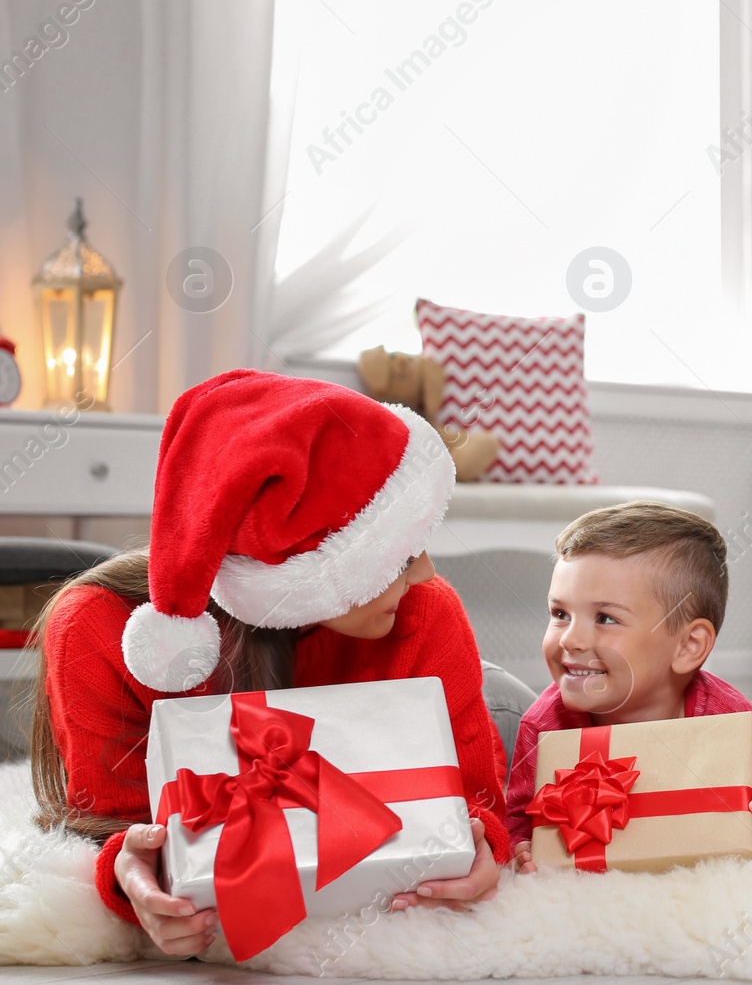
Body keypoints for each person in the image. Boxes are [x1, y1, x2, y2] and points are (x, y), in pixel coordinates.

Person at [29, 369, 509, 957]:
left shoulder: (422, 610)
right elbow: (113, 821)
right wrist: (133, 876)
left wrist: (489, 849)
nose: (428, 572)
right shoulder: (100, 628)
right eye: (400, 553)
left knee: (530, 719)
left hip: (502, 699)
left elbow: (480, 801)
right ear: (306, 569)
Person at [506, 501, 752, 868]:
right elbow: (516, 818)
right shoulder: (545, 726)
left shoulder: (733, 723)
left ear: (688, 646)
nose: (569, 640)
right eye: (560, 614)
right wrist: (521, 849)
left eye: (605, 618)